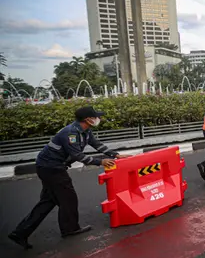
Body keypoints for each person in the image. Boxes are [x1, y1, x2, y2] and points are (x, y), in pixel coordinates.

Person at [8, 106, 127, 250]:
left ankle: (20, 233)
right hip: (51, 168)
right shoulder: (71, 133)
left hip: (51, 167)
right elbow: (78, 155)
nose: (98, 119)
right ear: (88, 119)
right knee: (68, 198)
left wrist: (115, 154)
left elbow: (97, 145)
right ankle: (70, 229)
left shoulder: (86, 131)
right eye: (96, 116)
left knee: (48, 201)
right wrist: (100, 161)